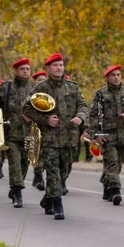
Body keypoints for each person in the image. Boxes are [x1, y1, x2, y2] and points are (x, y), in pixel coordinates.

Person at [22, 53, 89, 220]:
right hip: (50, 139)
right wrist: (46, 119)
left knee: (64, 171)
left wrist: (80, 117)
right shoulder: (41, 88)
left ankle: (47, 198)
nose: (59, 68)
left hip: (69, 137)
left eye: (61, 65)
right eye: (55, 65)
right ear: (48, 68)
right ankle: (58, 205)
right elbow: (26, 108)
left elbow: (83, 105)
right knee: (53, 172)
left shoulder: (73, 87)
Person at [89, 65, 124, 205]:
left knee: (118, 165)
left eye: (118, 75)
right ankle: (116, 190)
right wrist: (95, 134)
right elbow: (93, 115)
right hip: (107, 135)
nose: (116, 77)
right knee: (111, 163)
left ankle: (107, 184)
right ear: (107, 78)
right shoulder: (100, 94)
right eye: (113, 75)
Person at [0, 59, 34, 208]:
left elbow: (44, 109)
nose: (25, 71)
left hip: (30, 133)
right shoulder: (6, 87)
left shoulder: (35, 88)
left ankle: (16, 186)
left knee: (25, 163)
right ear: (15, 71)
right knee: (14, 163)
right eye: (22, 69)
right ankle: (17, 192)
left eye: (27, 69)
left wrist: (34, 116)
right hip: (11, 134)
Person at [30, 70, 47, 190]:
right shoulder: (31, 92)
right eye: (39, 80)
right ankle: (38, 174)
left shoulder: (49, 92)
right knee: (37, 152)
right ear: (35, 82)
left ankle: (38, 174)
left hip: (47, 127)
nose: (42, 82)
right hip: (34, 126)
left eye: (43, 79)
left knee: (46, 153)